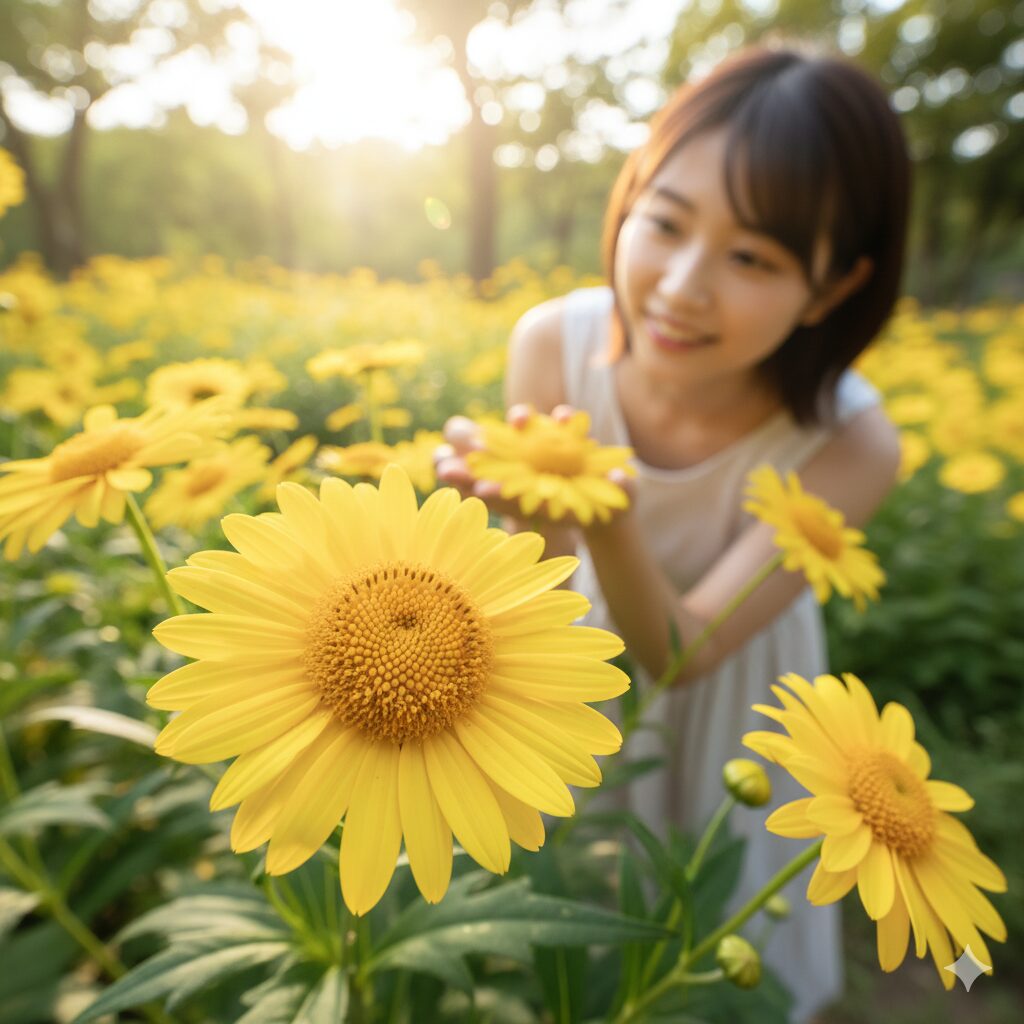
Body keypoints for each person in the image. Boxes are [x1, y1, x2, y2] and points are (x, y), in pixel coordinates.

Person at [437, 43, 909, 1023]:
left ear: (831, 287)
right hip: (580, 677)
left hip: (741, 704)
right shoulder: (551, 342)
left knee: (713, 941)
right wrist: (508, 522)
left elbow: (686, 649)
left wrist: (603, 515)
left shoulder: (851, 441)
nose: (681, 285)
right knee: (575, 910)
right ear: (631, 191)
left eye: (751, 257)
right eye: (665, 221)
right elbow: (548, 578)